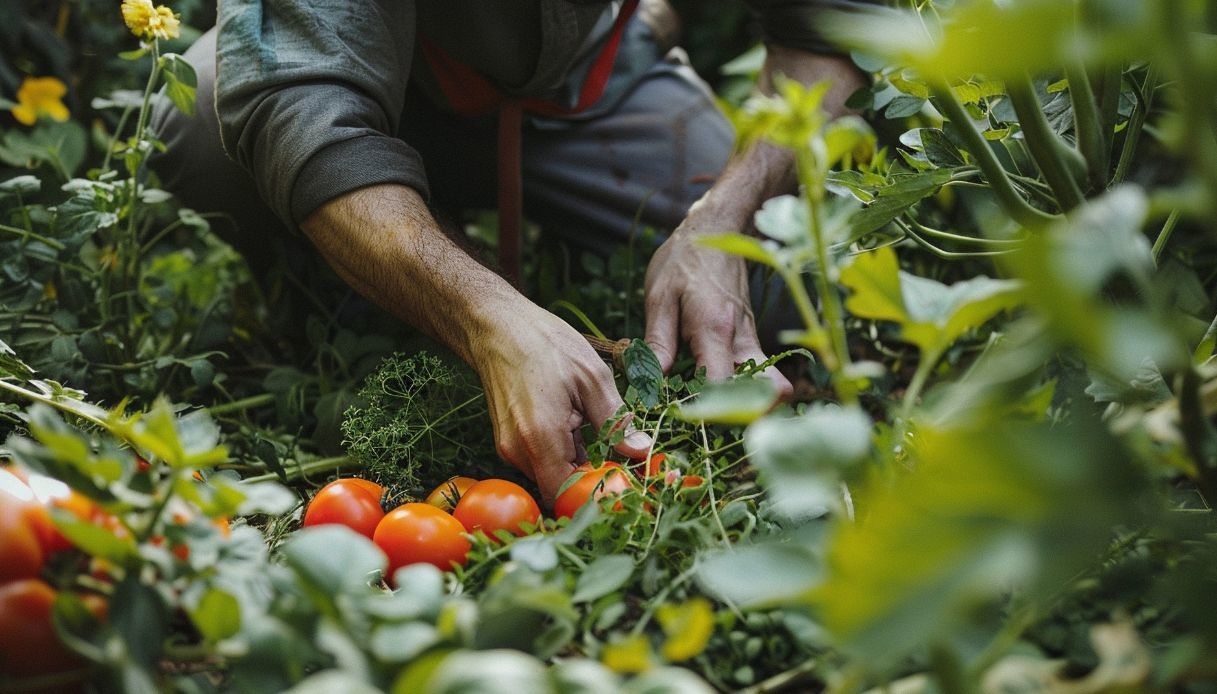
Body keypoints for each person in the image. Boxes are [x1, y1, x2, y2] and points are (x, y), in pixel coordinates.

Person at [150, 0, 869, 505]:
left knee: (779, 291)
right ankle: (342, 299)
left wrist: (718, 223)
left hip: (586, 79)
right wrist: (487, 315)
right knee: (198, 122)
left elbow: (831, 29)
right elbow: (298, 108)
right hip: (381, 80)